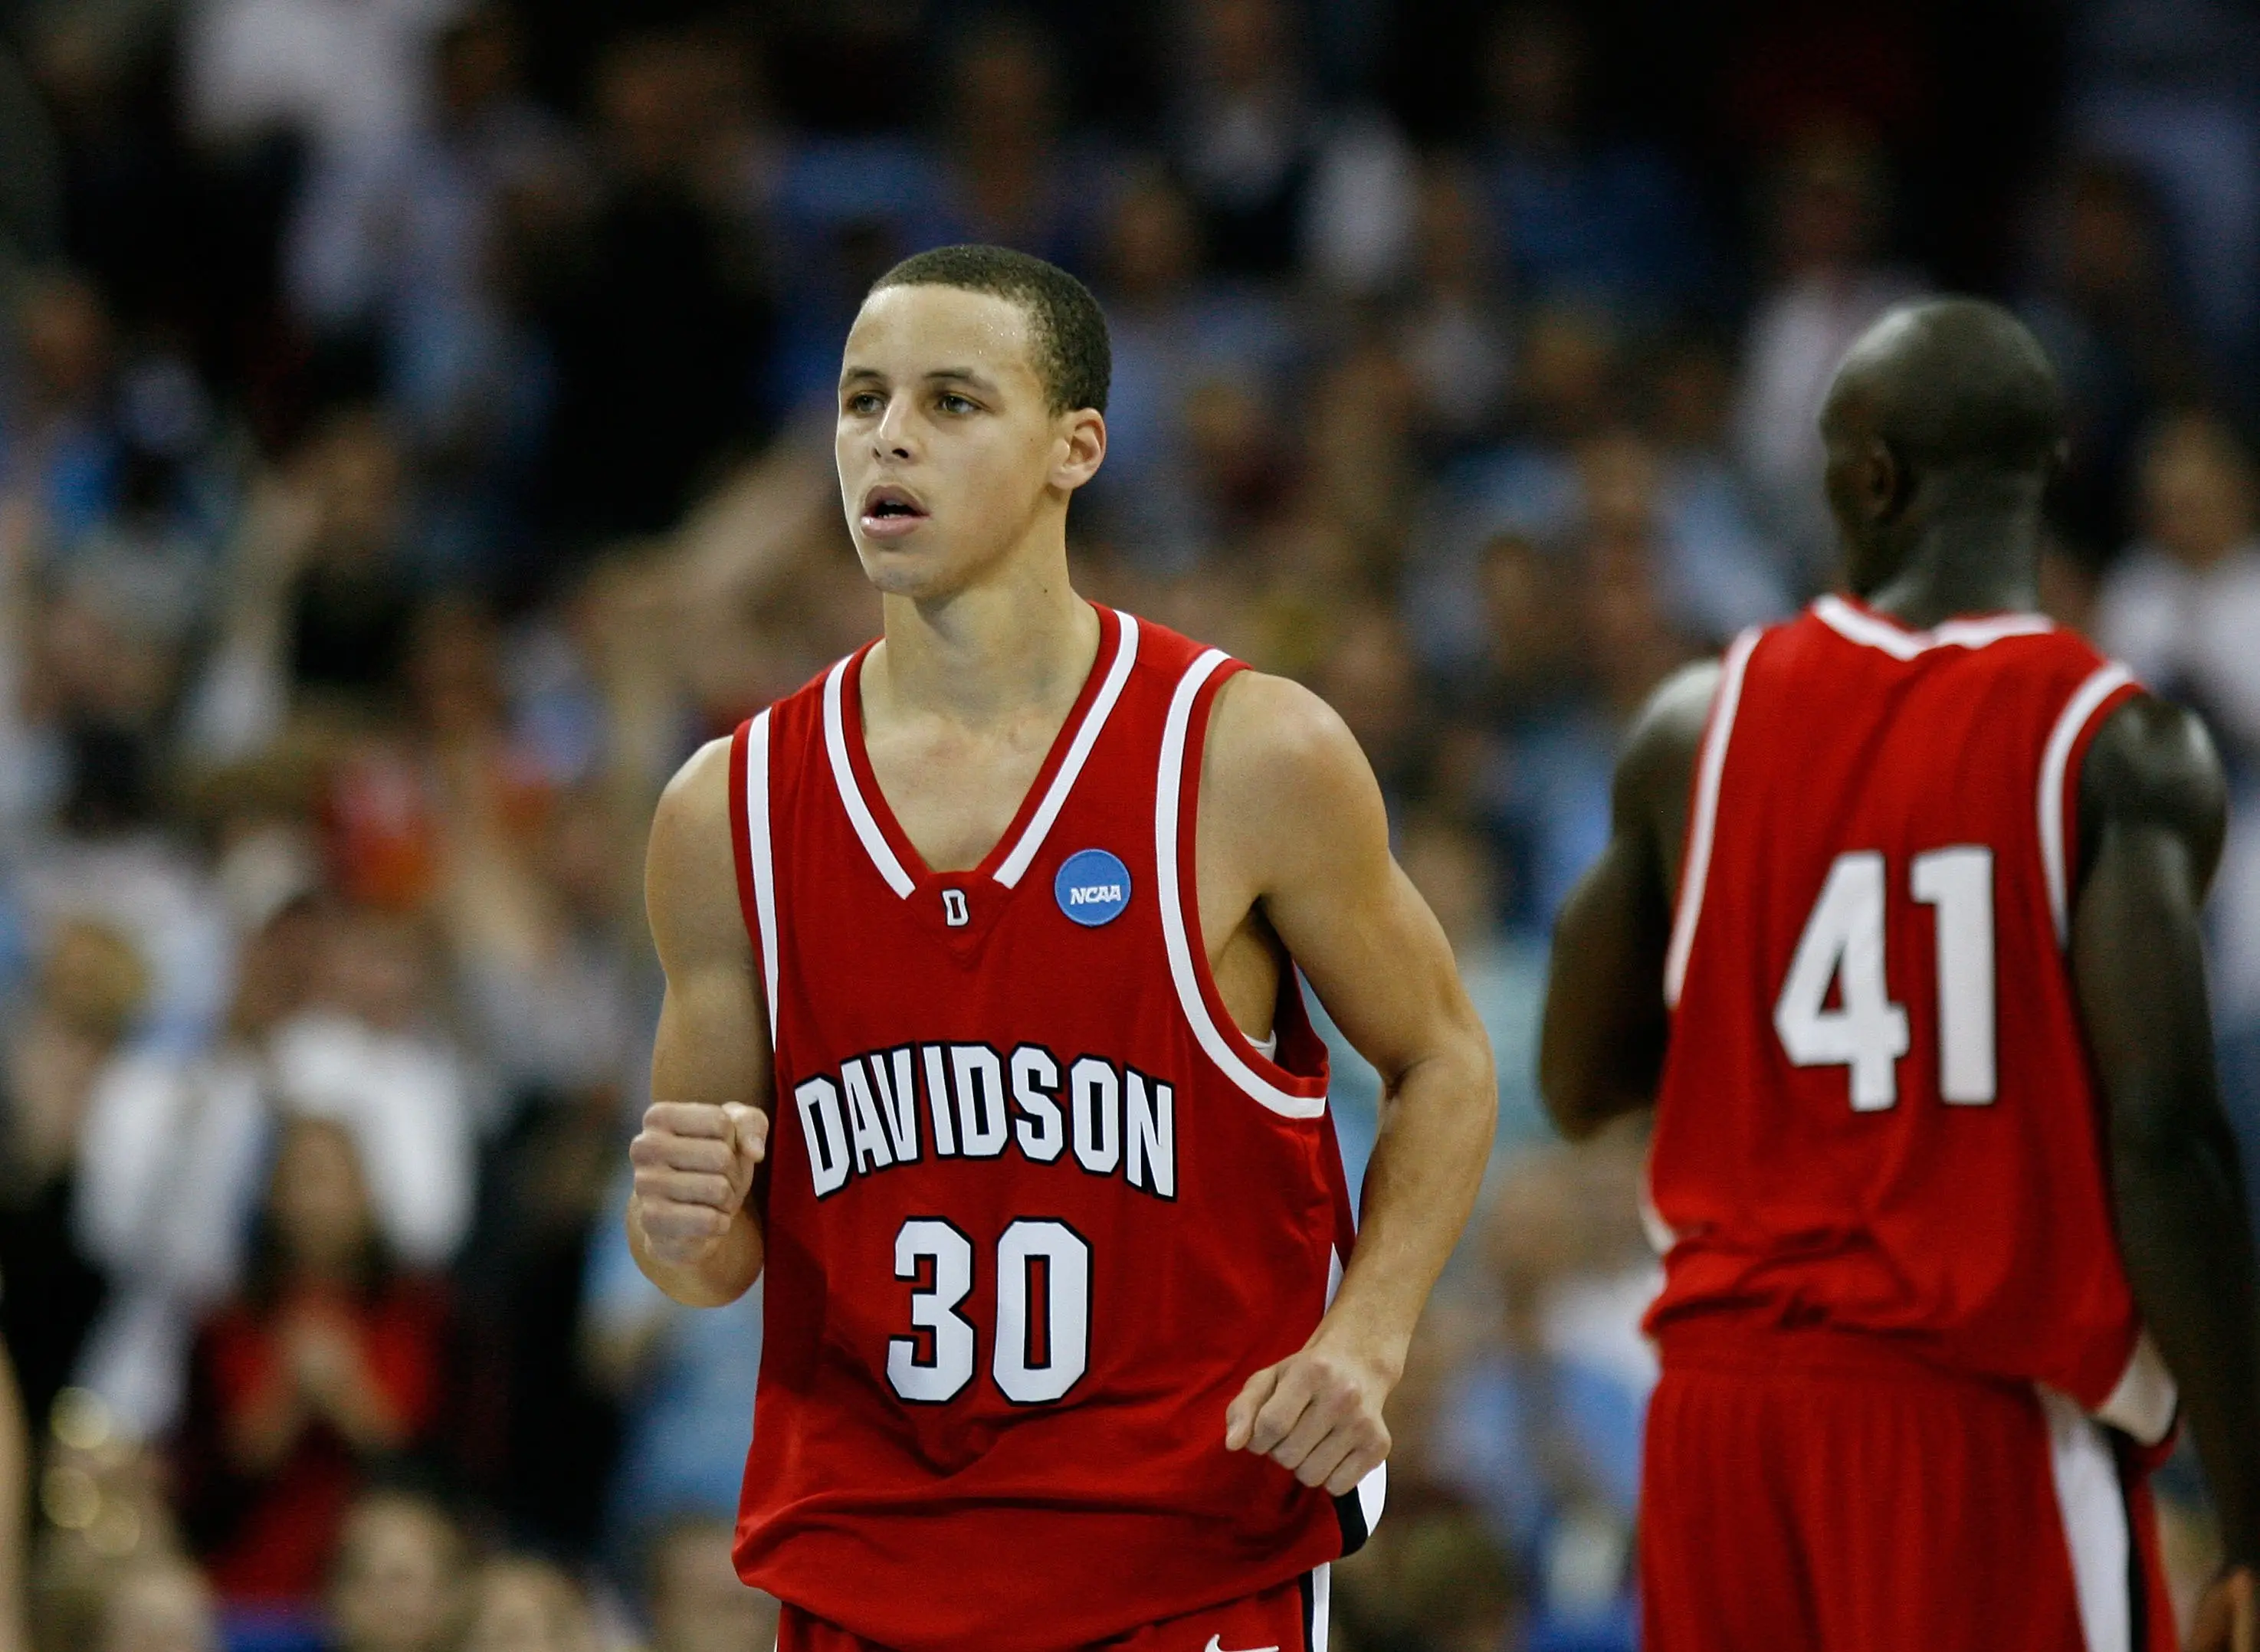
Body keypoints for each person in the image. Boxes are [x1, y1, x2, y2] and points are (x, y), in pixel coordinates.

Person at [627, 244, 1496, 1650]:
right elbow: (709, 1261)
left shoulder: (1244, 754)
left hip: (1180, 1557)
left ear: (1073, 448)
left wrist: (1368, 1333)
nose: (889, 437)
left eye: (954, 401)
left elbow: (1445, 1059)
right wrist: (677, 1219)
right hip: (870, 1565)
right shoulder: (725, 807)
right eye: (861, 401)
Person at [1540, 297, 2260, 1651]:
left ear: (1871, 480)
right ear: (2045, 472)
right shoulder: (2113, 745)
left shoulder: (1699, 729)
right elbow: (2165, 1136)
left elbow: (1577, 1081)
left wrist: (1759, 1069)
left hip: (1716, 1418)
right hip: (1963, 1406)